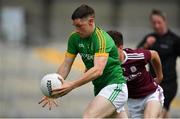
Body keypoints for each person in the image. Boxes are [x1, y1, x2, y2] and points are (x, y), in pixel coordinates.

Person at [38, 4, 128, 118]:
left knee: (88, 116)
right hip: (101, 90)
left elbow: (98, 70)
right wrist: (54, 88)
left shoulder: (102, 39)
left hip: (115, 86)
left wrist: (72, 85)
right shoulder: (74, 38)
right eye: (75, 26)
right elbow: (66, 64)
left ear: (91, 21)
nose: (77, 30)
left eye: (80, 26)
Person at [107, 30, 164, 118]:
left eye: (111, 50)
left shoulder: (135, 56)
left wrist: (159, 76)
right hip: (133, 102)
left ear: (120, 47)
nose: (109, 54)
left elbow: (155, 55)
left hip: (151, 94)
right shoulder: (108, 63)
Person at [137, 9, 180, 118]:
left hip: (169, 84)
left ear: (165, 21)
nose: (156, 25)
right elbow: (136, 56)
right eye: (154, 23)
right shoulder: (149, 38)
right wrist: (146, 45)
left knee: (158, 114)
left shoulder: (174, 39)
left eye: (159, 22)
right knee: (159, 114)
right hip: (153, 83)